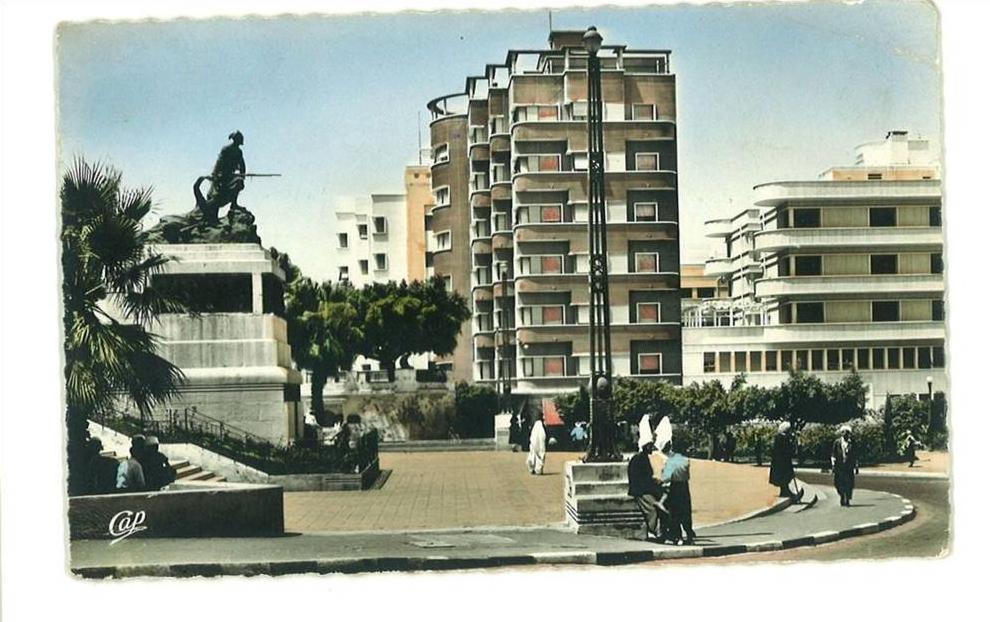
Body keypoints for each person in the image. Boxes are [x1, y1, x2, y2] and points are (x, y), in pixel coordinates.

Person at [627, 440, 668, 541]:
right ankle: (657, 532)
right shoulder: (640, 459)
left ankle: (658, 531)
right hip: (641, 491)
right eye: (650, 446)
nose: (652, 448)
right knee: (653, 509)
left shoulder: (641, 458)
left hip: (643, 488)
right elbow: (644, 479)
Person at [660, 437, 696, 545]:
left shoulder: (670, 461)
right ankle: (689, 535)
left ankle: (678, 537)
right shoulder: (686, 460)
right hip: (684, 487)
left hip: (675, 487)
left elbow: (666, 478)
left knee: (675, 513)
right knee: (686, 512)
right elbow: (688, 476)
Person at [769, 421, 803, 500]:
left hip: (780, 460)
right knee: (784, 476)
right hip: (782, 461)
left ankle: (785, 490)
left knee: (785, 476)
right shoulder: (783, 438)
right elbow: (788, 449)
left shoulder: (779, 437)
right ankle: (785, 491)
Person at [831, 425, 858, 507]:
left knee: (849, 483)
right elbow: (833, 454)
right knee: (838, 483)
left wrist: (856, 466)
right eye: (843, 432)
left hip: (849, 467)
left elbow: (855, 455)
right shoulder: (837, 442)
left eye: (847, 433)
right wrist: (833, 465)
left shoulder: (852, 443)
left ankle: (847, 499)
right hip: (839, 466)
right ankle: (842, 495)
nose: (845, 434)